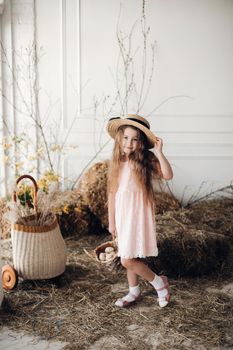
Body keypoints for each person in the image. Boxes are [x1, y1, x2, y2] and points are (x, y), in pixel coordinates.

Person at [107, 114, 173, 308]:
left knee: (127, 259)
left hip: (138, 213)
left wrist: (159, 152)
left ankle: (159, 284)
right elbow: (112, 194)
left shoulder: (146, 159)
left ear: (141, 142)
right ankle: (133, 291)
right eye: (126, 137)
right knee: (129, 254)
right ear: (120, 138)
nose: (129, 143)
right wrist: (112, 221)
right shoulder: (117, 162)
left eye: (135, 139)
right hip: (122, 214)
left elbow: (168, 175)